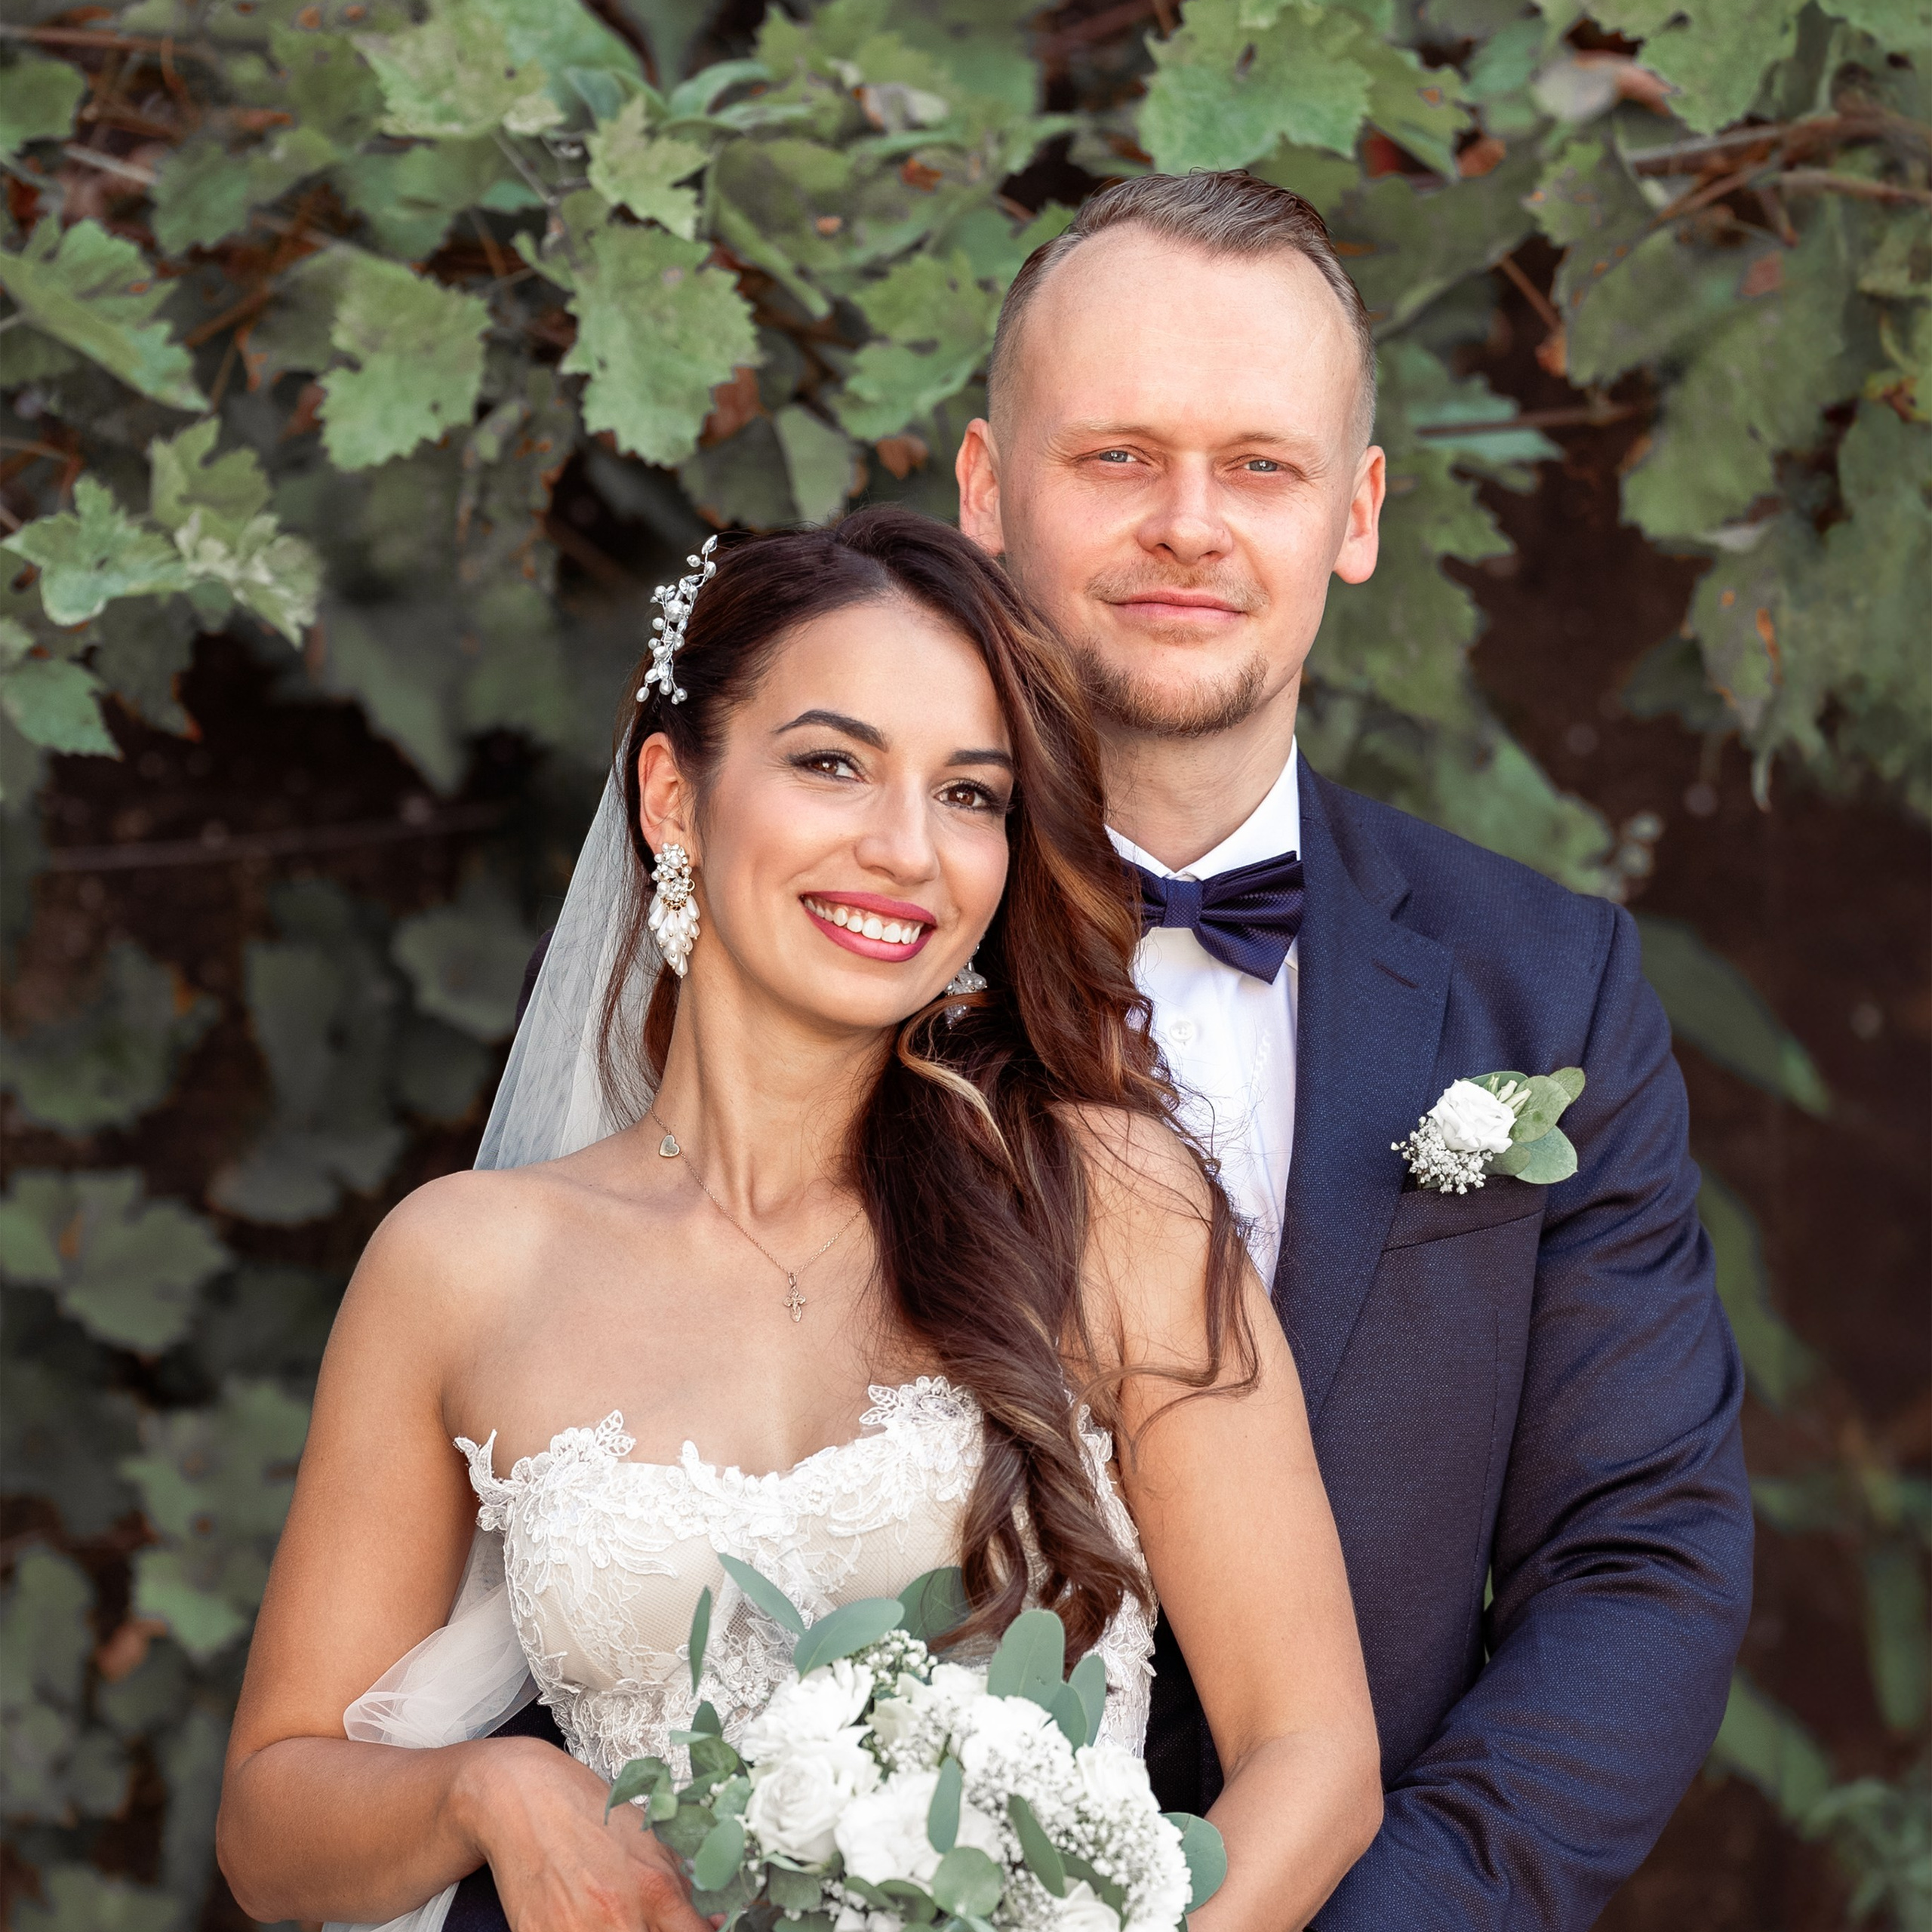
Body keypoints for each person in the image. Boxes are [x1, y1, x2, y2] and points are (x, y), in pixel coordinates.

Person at [215, 511, 1383, 1932]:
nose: (905, 849)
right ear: (671, 797)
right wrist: (491, 1794)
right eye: (833, 764)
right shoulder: (461, 1265)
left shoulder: (1113, 1201)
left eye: (970, 795)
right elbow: (273, 1825)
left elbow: (1313, 1754)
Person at [952, 171, 1755, 1928]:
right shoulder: (833, 937)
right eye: (1114, 457)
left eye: (1258, 464)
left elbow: (1635, 1557)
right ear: (984, 488)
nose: (1188, 521)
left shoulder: (1545, 989)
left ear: (1356, 510)